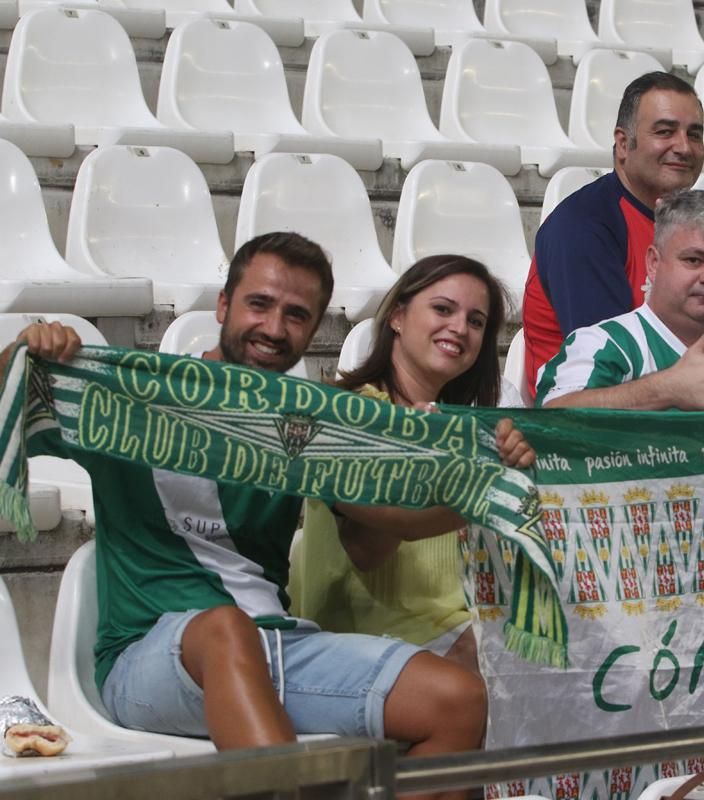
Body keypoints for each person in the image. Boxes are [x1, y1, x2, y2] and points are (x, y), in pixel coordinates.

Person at [2, 234, 527, 800]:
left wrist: (491, 483)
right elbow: (11, 403)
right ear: (223, 306)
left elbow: (394, 520)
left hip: (279, 645)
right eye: (260, 305)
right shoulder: (131, 393)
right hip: (144, 657)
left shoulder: (302, 424)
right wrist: (21, 354)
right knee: (226, 627)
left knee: (458, 701)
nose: (276, 329)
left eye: (297, 315)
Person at [290, 255, 532, 675]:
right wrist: (418, 467)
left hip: (461, 623)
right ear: (398, 316)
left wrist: (518, 472)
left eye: (476, 322)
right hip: (366, 634)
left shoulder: (469, 428)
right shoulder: (348, 415)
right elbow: (366, 552)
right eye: (443, 309)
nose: (460, 327)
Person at [521, 71, 704, 398]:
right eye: (665, 131)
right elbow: (612, 366)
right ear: (624, 144)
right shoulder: (582, 226)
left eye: (694, 134)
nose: (684, 147)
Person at [536, 189, 704, 411]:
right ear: (653, 263)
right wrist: (665, 390)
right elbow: (550, 418)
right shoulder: (604, 345)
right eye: (694, 260)